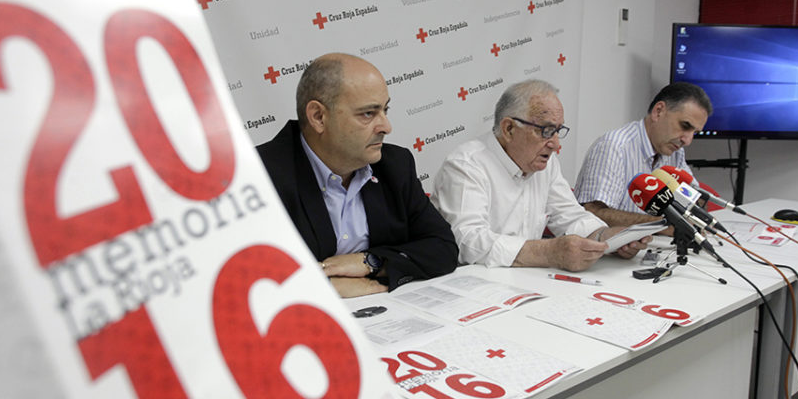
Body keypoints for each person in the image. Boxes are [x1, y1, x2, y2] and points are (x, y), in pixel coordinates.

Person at [256, 53, 458, 298]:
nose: (386, 127)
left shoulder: (395, 165)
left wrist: (371, 262)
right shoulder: (257, 176)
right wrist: (322, 287)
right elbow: (245, 278)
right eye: (368, 114)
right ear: (318, 117)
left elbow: (443, 248)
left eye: (385, 110)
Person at [431, 79, 649, 270]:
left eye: (558, 131)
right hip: (472, 286)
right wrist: (548, 252)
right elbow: (467, 242)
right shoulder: (467, 165)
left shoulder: (545, 162)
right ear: (509, 129)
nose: (555, 144)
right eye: (546, 131)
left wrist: (607, 238)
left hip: (526, 282)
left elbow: (571, 215)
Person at [573, 82, 712, 227]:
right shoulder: (614, 147)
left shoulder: (675, 152)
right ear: (658, 111)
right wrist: (664, 225)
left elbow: (696, 203)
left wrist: (696, 207)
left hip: (654, 240)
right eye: (685, 126)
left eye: (695, 133)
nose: (688, 140)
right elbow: (593, 213)